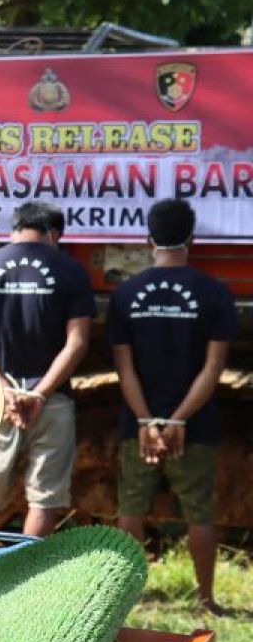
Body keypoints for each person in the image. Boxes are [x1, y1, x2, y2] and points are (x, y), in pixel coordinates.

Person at [107, 199, 235, 615]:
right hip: (194, 425)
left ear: (148, 240)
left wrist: (148, 420)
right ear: (192, 240)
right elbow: (214, 366)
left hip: (138, 424)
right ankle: (205, 600)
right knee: (199, 513)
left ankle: (126, 600)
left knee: (130, 510)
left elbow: (124, 368)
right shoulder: (214, 293)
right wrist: (178, 419)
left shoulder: (126, 293)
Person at [0, 202, 95, 537]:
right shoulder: (71, 271)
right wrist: (39, 393)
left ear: (14, 229)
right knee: (43, 500)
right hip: (51, 399)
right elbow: (77, 342)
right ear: (54, 233)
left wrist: (3, 389)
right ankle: (24, 581)